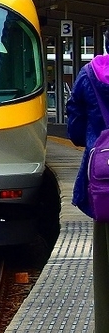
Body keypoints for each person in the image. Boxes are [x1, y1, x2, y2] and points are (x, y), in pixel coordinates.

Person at [66, 53, 109, 218]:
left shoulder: (89, 73)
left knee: (102, 206)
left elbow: (75, 112)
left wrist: (83, 138)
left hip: (102, 160)